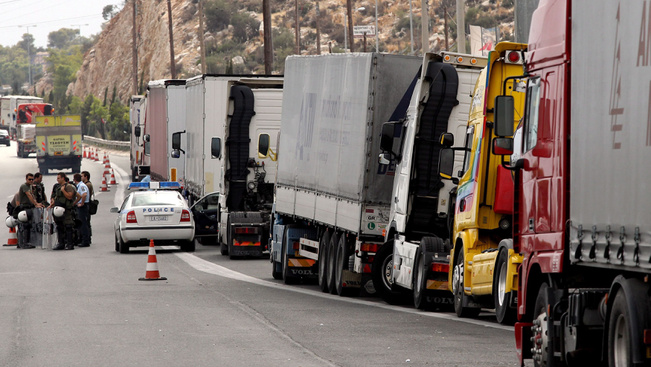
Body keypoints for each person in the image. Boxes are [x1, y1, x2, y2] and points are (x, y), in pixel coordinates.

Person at [49, 172, 79, 251]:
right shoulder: (58, 187)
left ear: (63, 178)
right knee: (59, 226)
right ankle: (61, 243)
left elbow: (70, 196)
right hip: (58, 209)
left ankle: (69, 244)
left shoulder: (68, 186)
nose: (57, 179)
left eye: (59, 178)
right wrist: (52, 204)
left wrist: (73, 204)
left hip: (66, 210)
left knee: (68, 226)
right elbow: (56, 198)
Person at [17, 173, 44, 249]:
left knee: (28, 225)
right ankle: (24, 243)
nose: (31, 181)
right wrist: (36, 204)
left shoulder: (30, 187)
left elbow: (32, 196)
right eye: (29, 179)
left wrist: (37, 203)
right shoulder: (24, 186)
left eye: (32, 179)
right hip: (24, 208)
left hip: (29, 208)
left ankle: (26, 242)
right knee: (25, 225)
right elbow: (29, 195)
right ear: (26, 179)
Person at [73, 173, 91, 247]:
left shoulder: (81, 186)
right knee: (81, 224)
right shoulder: (80, 185)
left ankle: (85, 241)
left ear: (74, 180)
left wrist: (82, 203)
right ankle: (82, 239)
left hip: (83, 207)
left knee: (83, 224)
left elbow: (84, 194)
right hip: (82, 206)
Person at [81, 171, 94, 240]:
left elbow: (85, 194)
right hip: (87, 204)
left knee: (86, 222)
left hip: (87, 204)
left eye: (82, 176)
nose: (81, 177)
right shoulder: (86, 184)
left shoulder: (87, 185)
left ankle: (87, 237)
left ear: (86, 177)